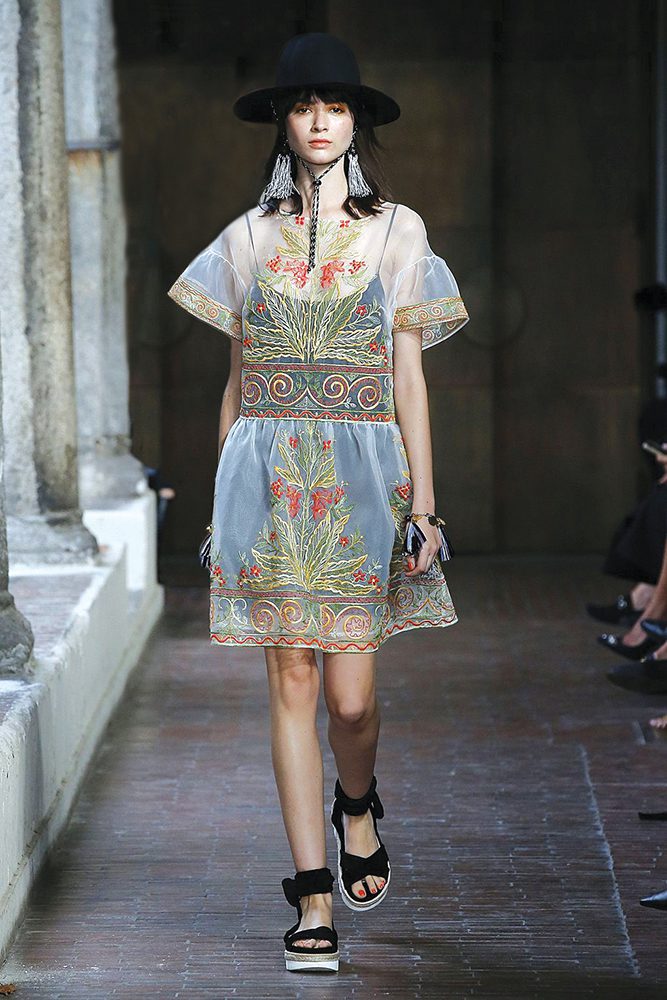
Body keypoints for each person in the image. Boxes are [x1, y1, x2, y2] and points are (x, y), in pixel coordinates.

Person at [167, 32, 469, 974]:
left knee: (351, 698)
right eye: (303, 107)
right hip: (264, 476)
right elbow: (236, 382)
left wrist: (426, 507)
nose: (320, 122)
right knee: (291, 683)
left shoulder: (397, 229)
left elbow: (408, 378)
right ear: (281, 122)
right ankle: (309, 895)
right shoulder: (244, 238)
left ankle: (357, 803)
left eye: (335, 107)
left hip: (363, 478)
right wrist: (221, 507)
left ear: (355, 121)